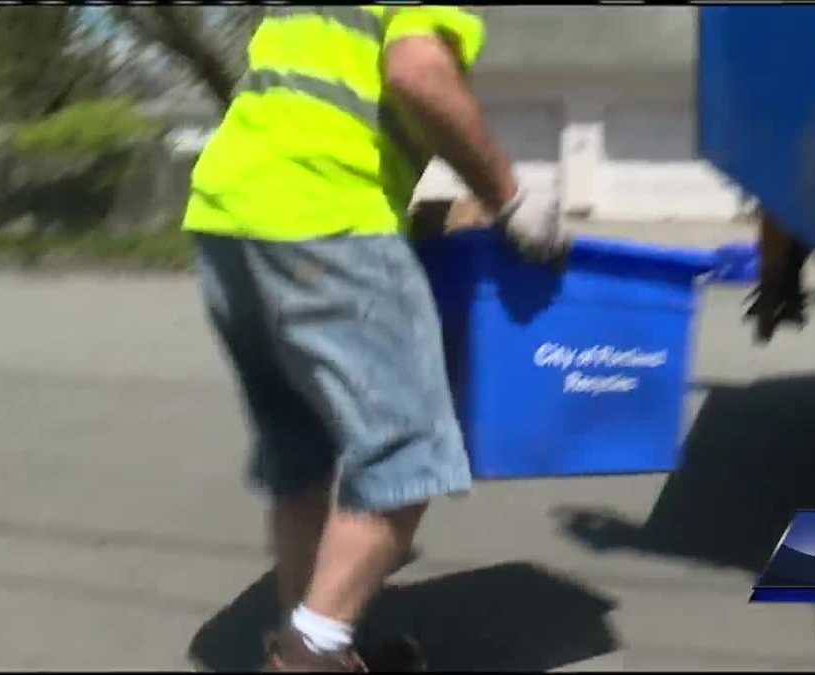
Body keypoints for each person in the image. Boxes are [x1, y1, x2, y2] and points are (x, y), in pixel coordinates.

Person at [181, 6, 568, 672]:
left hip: (226, 217)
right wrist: (510, 199)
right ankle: (309, 655)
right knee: (406, 450)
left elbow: (327, 103)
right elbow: (418, 73)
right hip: (328, 215)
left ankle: (313, 637)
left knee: (300, 451)